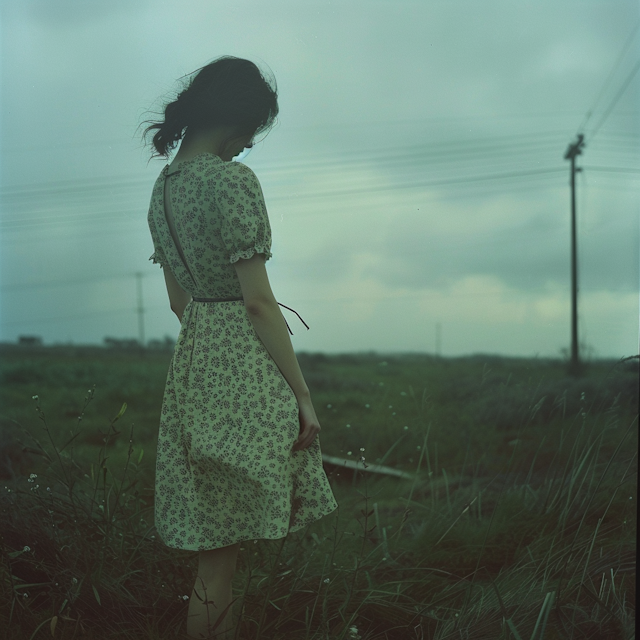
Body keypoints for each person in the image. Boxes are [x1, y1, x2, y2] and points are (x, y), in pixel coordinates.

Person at [140, 56, 339, 639]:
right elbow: (257, 302)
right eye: (254, 130)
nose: (250, 145)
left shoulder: (163, 192)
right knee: (222, 556)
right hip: (243, 368)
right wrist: (301, 395)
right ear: (237, 120)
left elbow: (180, 303)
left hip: (196, 365)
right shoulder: (231, 182)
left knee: (215, 552)